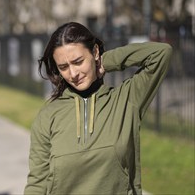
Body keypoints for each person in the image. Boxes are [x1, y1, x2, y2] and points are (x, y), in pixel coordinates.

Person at [24, 22, 172, 194]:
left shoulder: (127, 100)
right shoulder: (48, 115)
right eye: (63, 67)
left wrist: (105, 61)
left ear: (94, 52)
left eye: (78, 62)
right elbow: (37, 183)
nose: (73, 74)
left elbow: (162, 53)